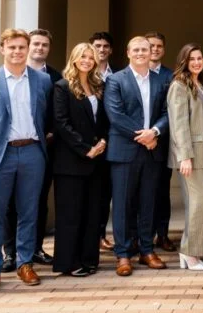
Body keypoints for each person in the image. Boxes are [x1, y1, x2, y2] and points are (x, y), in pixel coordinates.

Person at [0, 29, 53, 293]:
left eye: (21, 47)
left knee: (29, 213)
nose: (17, 51)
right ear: (2, 49)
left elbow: (46, 115)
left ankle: (25, 263)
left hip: (32, 153)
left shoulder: (42, 81)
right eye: (12, 47)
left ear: (27, 49)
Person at [103, 36, 170, 276]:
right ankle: (123, 254)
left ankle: (147, 250)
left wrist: (155, 132)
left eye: (145, 49)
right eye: (137, 49)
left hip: (153, 151)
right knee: (122, 205)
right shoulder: (115, 80)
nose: (141, 53)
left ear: (151, 52)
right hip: (125, 152)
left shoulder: (160, 80)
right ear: (128, 52)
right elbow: (115, 115)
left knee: (148, 203)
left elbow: (166, 111)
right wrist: (143, 136)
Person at [51, 43, 109, 276]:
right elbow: (61, 123)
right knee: (70, 215)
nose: (87, 60)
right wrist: (86, 149)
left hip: (97, 160)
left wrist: (103, 141)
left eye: (90, 57)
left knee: (92, 212)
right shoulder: (62, 87)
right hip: (71, 161)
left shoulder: (98, 85)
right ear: (74, 59)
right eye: (82, 56)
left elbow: (105, 119)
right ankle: (69, 262)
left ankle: (89, 259)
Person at [7, 28, 59, 267]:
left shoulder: (55, 78)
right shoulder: (3, 77)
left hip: (42, 149)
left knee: (37, 201)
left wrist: (50, 133)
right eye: (36, 44)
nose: (40, 48)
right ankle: (10, 252)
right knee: (9, 203)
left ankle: (35, 248)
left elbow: (58, 112)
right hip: (9, 150)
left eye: (44, 45)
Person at [167, 43, 203, 271]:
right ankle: (190, 253)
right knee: (199, 203)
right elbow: (179, 125)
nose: (197, 62)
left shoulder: (202, 84)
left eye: (199, 58)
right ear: (184, 62)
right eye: (192, 59)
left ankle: (191, 252)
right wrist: (184, 156)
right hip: (191, 156)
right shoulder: (178, 86)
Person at [145, 31, 177, 252]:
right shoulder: (132, 74)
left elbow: (172, 109)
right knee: (139, 193)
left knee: (161, 192)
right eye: (151, 46)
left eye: (158, 46)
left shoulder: (171, 76)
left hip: (162, 142)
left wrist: (156, 133)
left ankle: (162, 234)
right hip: (137, 142)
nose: (154, 49)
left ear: (163, 50)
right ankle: (140, 236)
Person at [89, 31, 117, 251]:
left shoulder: (116, 76)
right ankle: (89, 235)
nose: (101, 49)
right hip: (88, 143)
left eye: (106, 46)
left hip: (111, 140)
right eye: (97, 45)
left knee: (105, 192)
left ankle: (101, 234)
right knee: (91, 192)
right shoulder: (83, 75)